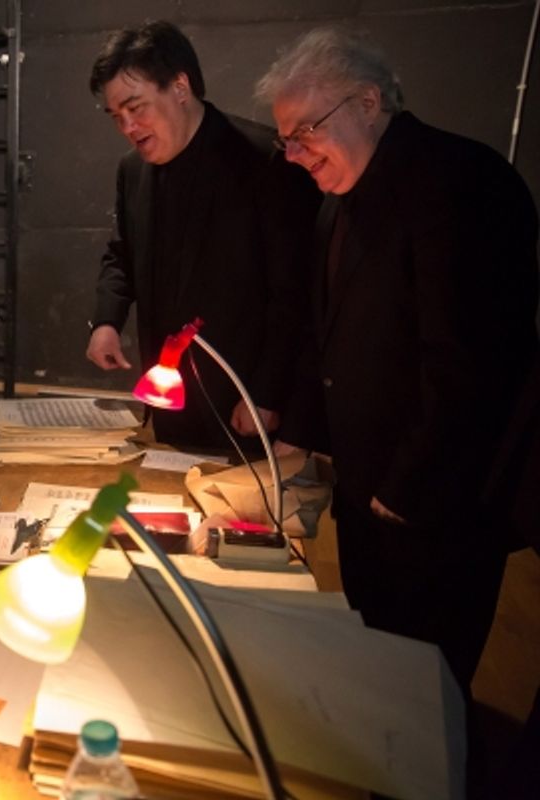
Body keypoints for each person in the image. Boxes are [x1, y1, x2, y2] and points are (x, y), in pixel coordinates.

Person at [256, 29, 538, 701]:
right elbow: (327, 335)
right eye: (284, 139)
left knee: (429, 687)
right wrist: (300, 433)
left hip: (437, 504)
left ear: (368, 101)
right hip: (368, 492)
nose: (294, 156)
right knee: (380, 670)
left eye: (305, 133)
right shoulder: (341, 199)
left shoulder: (462, 181)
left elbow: (473, 364)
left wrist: (407, 488)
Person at [86, 21, 317, 450]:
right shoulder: (132, 170)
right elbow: (122, 254)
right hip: (169, 400)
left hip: (244, 401)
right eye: (117, 117)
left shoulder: (264, 163)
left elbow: (295, 295)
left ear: (179, 86)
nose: (128, 127)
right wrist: (106, 321)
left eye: (136, 108)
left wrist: (266, 393)